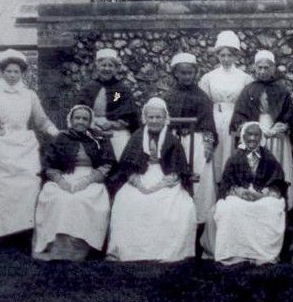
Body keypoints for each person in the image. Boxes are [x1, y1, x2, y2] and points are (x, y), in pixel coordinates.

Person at [0, 49, 59, 241]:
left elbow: (41, 120)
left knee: (29, 185)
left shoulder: (30, 95)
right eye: (8, 71)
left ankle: (26, 230)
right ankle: (3, 232)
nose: (12, 75)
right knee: (3, 190)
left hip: (26, 147)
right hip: (3, 148)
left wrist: (57, 134)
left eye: (16, 71)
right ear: (1, 72)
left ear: (22, 73)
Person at [107, 97, 196, 262]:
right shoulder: (136, 137)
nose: (154, 121)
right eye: (151, 117)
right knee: (125, 199)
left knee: (176, 204)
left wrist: (160, 185)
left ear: (165, 118)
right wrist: (139, 184)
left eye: (158, 117)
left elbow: (178, 167)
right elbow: (128, 166)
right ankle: (132, 251)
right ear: (145, 118)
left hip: (165, 176)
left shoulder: (172, 140)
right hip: (140, 175)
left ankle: (163, 251)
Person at [32, 105, 116, 261]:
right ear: (71, 120)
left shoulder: (96, 139)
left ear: (89, 121)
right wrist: (60, 181)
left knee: (83, 200)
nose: (81, 121)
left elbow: (107, 164)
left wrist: (88, 180)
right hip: (64, 176)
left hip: (91, 178)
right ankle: (57, 248)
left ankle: (79, 250)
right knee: (58, 198)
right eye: (77, 118)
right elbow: (49, 164)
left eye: (85, 119)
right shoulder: (60, 138)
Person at [205, 122, 287, 265]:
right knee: (229, 208)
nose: (252, 138)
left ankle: (263, 253)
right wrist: (239, 192)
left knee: (272, 207)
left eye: (256, 135)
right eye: (249, 134)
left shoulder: (269, 158)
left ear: (261, 137)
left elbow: (278, 182)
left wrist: (263, 193)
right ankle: (233, 252)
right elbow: (226, 184)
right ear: (243, 136)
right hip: (239, 195)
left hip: (263, 196)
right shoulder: (235, 158)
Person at [230, 50, 293, 206]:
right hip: (254, 134)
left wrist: (280, 127)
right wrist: (254, 128)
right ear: (254, 68)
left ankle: (281, 203)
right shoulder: (248, 90)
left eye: (267, 68)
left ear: (273, 69)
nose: (263, 71)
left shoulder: (282, 90)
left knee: (278, 169)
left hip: (277, 137)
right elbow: (239, 117)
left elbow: (288, 117)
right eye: (260, 68)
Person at [164, 53, 217, 233]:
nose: (186, 76)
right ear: (175, 74)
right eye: (182, 73)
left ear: (195, 73)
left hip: (196, 142)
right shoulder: (168, 96)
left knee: (199, 180)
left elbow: (208, 123)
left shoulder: (201, 97)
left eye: (190, 73)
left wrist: (208, 143)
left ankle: (200, 223)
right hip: (174, 142)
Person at [199, 31, 254, 181]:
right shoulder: (209, 77)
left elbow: (248, 104)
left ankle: (232, 184)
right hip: (215, 118)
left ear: (236, 56)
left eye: (230, 55)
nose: (226, 59)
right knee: (216, 151)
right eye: (222, 55)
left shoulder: (245, 78)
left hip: (235, 119)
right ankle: (215, 185)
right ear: (217, 56)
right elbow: (204, 103)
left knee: (232, 151)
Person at [77, 48, 140, 160]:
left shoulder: (119, 90)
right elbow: (80, 109)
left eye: (111, 66)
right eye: (103, 65)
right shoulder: (89, 88)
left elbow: (122, 108)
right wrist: (92, 123)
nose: (107, 69)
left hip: (116, 130)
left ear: (116, 68)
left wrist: (112, 123)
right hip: (91, 128)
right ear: (97, 67)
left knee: (121, 155)